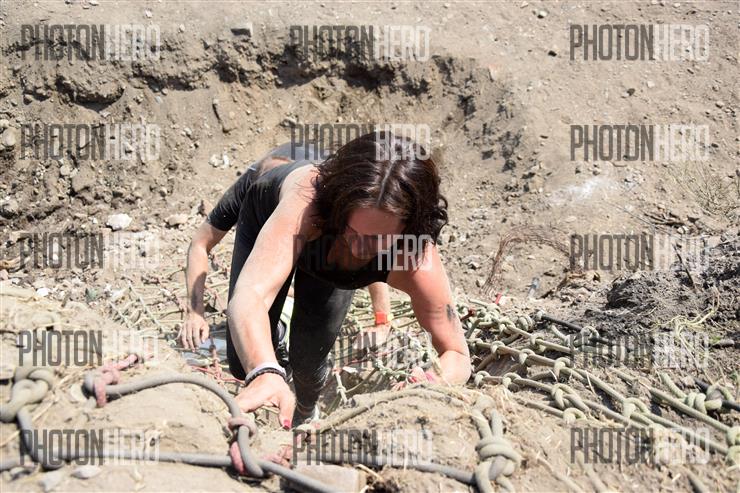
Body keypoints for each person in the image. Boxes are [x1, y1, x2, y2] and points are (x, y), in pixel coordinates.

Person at [192, 132, 470, 429]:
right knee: (243, 360)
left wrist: (432, 379)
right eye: (354, 232)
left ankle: (305, 409)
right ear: (340, 209)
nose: (361, 248)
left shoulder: (416, 255)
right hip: (269, 219)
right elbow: (250, 295)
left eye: (377, 240)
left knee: (309, 362)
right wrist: (264, 371)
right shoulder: (308, 203)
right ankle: (275, 348)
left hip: (329, 264)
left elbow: (457, 353)